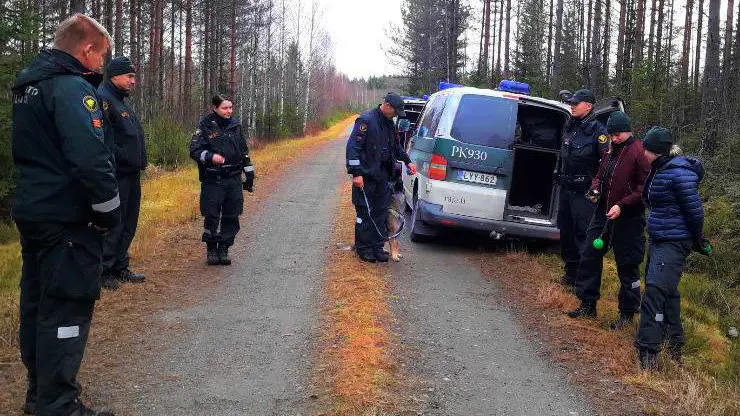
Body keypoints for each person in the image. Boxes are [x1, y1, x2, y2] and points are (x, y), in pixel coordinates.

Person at [11, 14, 119, 416]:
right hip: (67, 219)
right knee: (67, 306)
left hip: (35, 211)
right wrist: (109, 212)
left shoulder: (29, 87)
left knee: (37, 303)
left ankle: (40, 395)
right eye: (101, 56)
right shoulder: (71, 88)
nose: (101, 65)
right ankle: (57, 405)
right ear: (86, 48)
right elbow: (90, 158)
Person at [635, 127, 710, 370]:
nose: (643, 152)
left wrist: (698, 241)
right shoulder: (658, 169)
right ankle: (674, 343)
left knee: (655, 291)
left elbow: (695, 212)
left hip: (674, 241)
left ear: (654, 151)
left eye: (645, 148)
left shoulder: (678, 174)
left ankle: (648, 351)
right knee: (668, 291)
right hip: (659, 237)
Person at [568, 111, 650, 323]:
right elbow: (599, 176)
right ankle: (587, 304)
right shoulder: (610, 150)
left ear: (628, 130)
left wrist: (622, 205)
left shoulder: (639, 152)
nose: (613, 138)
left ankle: (627, 313)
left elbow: (644, 190)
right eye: (611, 134)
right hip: (603, 213)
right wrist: (595, 189)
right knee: (589, 255)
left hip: (628, 218)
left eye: (618, 134)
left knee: (627, 265)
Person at [346, 93, 417, 263]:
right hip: (365, 177)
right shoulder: (366, 121)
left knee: (379, 213)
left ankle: (377, 248)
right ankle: (364, 249)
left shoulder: (389, 124)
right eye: (395, 111)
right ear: (387, 105)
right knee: (365, 213)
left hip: (383, 177)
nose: (396, 115)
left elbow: (396, 146)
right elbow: (353, 148)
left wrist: (407, 161)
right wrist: (356, 173)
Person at [98, 56, 147, 290]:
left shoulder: (122, 102)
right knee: (113, 224)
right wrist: (124, 160)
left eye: (134, 76)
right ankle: (104, 270)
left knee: (129, 222)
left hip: (131, 174)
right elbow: (104, 142)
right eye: (129, 76)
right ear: (115, 75)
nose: (133, 81)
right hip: (116, 175)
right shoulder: (104, 100)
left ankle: (120, 266)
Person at [189, 95, 254, 266]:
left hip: (233, 179)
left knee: (231, 216)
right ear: (215, 108)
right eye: (225, 108)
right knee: (212, 215)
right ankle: (211, 248)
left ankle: (224, 248)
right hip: (213, 179)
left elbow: (243, 151)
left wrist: (249, 172)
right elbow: (194, 150)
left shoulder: (236, 126)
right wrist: (211, 157)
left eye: (231, 107)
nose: (229, 111)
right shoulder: (205, 126)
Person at [558, 89, 609, 288]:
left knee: (583, 236)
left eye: (575, 103)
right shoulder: (570, 126)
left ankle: (584, 282)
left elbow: (606, 163)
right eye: (571, 102)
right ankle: (570, 275)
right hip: (567, 188)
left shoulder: (599, 131)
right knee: (566, 232)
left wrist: (596, 188)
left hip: (585, 192)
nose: (572, 106)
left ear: (588, 106)